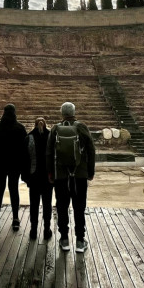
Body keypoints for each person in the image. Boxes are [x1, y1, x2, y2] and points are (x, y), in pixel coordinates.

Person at [46, 102, 95, 253]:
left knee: (62, 207)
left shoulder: (55, 129)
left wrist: (50, 173)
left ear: (62, 113)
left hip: (61, 176)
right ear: (74, 112)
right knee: (79, 207)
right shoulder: (82, 127)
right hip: (79, 176)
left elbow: (48, 153)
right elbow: (91, 150)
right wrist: (90, 171)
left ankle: (64, 239)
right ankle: (80, 241)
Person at [0, 104, 27, 231]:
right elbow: (24, 149)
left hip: (0, 163)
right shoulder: (20, 128)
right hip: (15, 164)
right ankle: (16, 218)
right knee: (14, 190)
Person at [22, 117, 53, 240]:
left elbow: (24, 160)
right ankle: (46, 229)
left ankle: (33, 230)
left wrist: (25, 178)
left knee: (34, 205)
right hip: (47, 178)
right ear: (46, 125)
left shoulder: (28, 138)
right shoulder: (51, 137)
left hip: (33, 177)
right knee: (47, 204)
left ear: (34, 125)